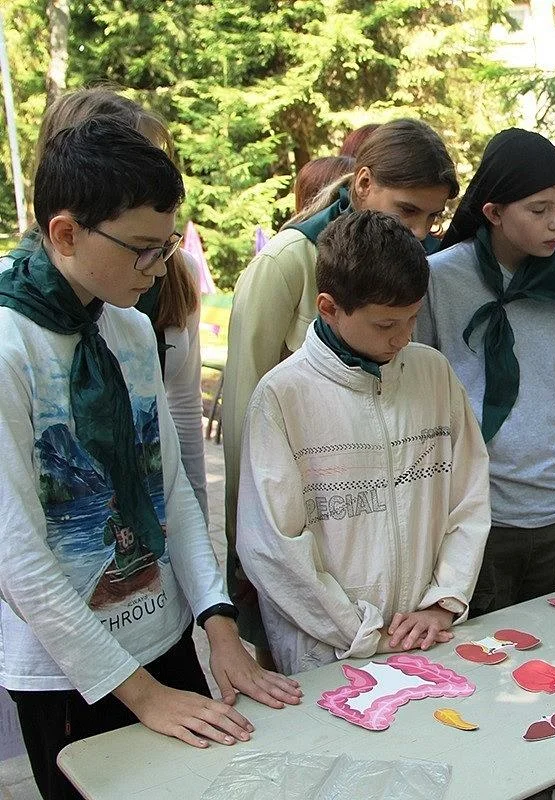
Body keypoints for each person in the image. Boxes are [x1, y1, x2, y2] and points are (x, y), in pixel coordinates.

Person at [0, 118, 301, 800]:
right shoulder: (11, 347)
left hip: (162, 639)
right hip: (70, 674)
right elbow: (16, 556)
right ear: (65, 233)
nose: (159, 267)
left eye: (165, 246)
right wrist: (143, 696)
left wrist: (218, 625)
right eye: (141, 249)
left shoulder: (130, 328)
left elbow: (171, 494)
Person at [222, 119, 459, 666]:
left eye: (432, 218)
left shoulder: (408, 272)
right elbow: (243, 410)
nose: (420, 233)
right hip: (305, 525)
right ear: (364, 184)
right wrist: (246, 549)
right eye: (407, 211)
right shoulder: (286, 262)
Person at [235, 210, 490, 675]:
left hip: (425, 635)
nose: (403, 337)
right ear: (328, 308)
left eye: (413, 318)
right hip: (326, 653)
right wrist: (363, 631)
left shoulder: (433, 374)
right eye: (385, 325)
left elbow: (469, 497)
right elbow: (273, 547)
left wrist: (444, 601)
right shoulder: (282, 397)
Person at [3, 89, 210, 523]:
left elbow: (178, 433)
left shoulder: (144, 308)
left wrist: (196, 543)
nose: (149, 182)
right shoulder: (15, 325)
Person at [416, 129, 555, 617]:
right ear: (494, 213)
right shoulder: (438, 279)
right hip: (478, 519)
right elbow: (416, 396)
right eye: (539, 210)